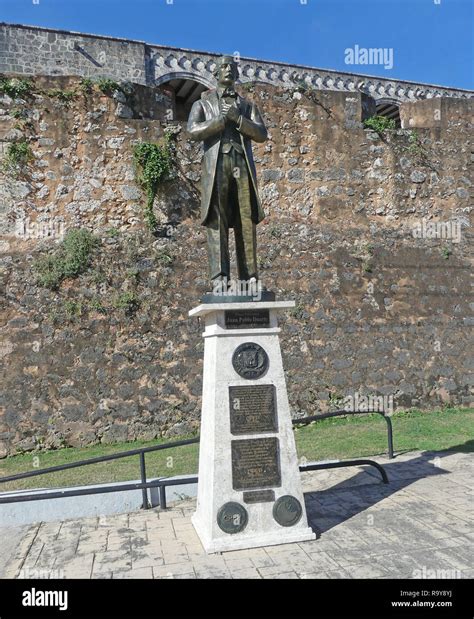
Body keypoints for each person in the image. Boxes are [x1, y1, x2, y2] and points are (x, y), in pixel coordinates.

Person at [187, 55, 268, 289]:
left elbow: (261, 134)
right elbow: (192, 130)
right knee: (217, 218)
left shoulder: (248, 106)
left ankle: (250, 278)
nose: (228, 70)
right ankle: (219, 279)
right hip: (216, 164)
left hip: (241, 163)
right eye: (223, 67)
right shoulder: (202, 104)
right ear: (216, 73)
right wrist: (221, 121)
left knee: (246, 219)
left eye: (232, 67)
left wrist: (239, 120)